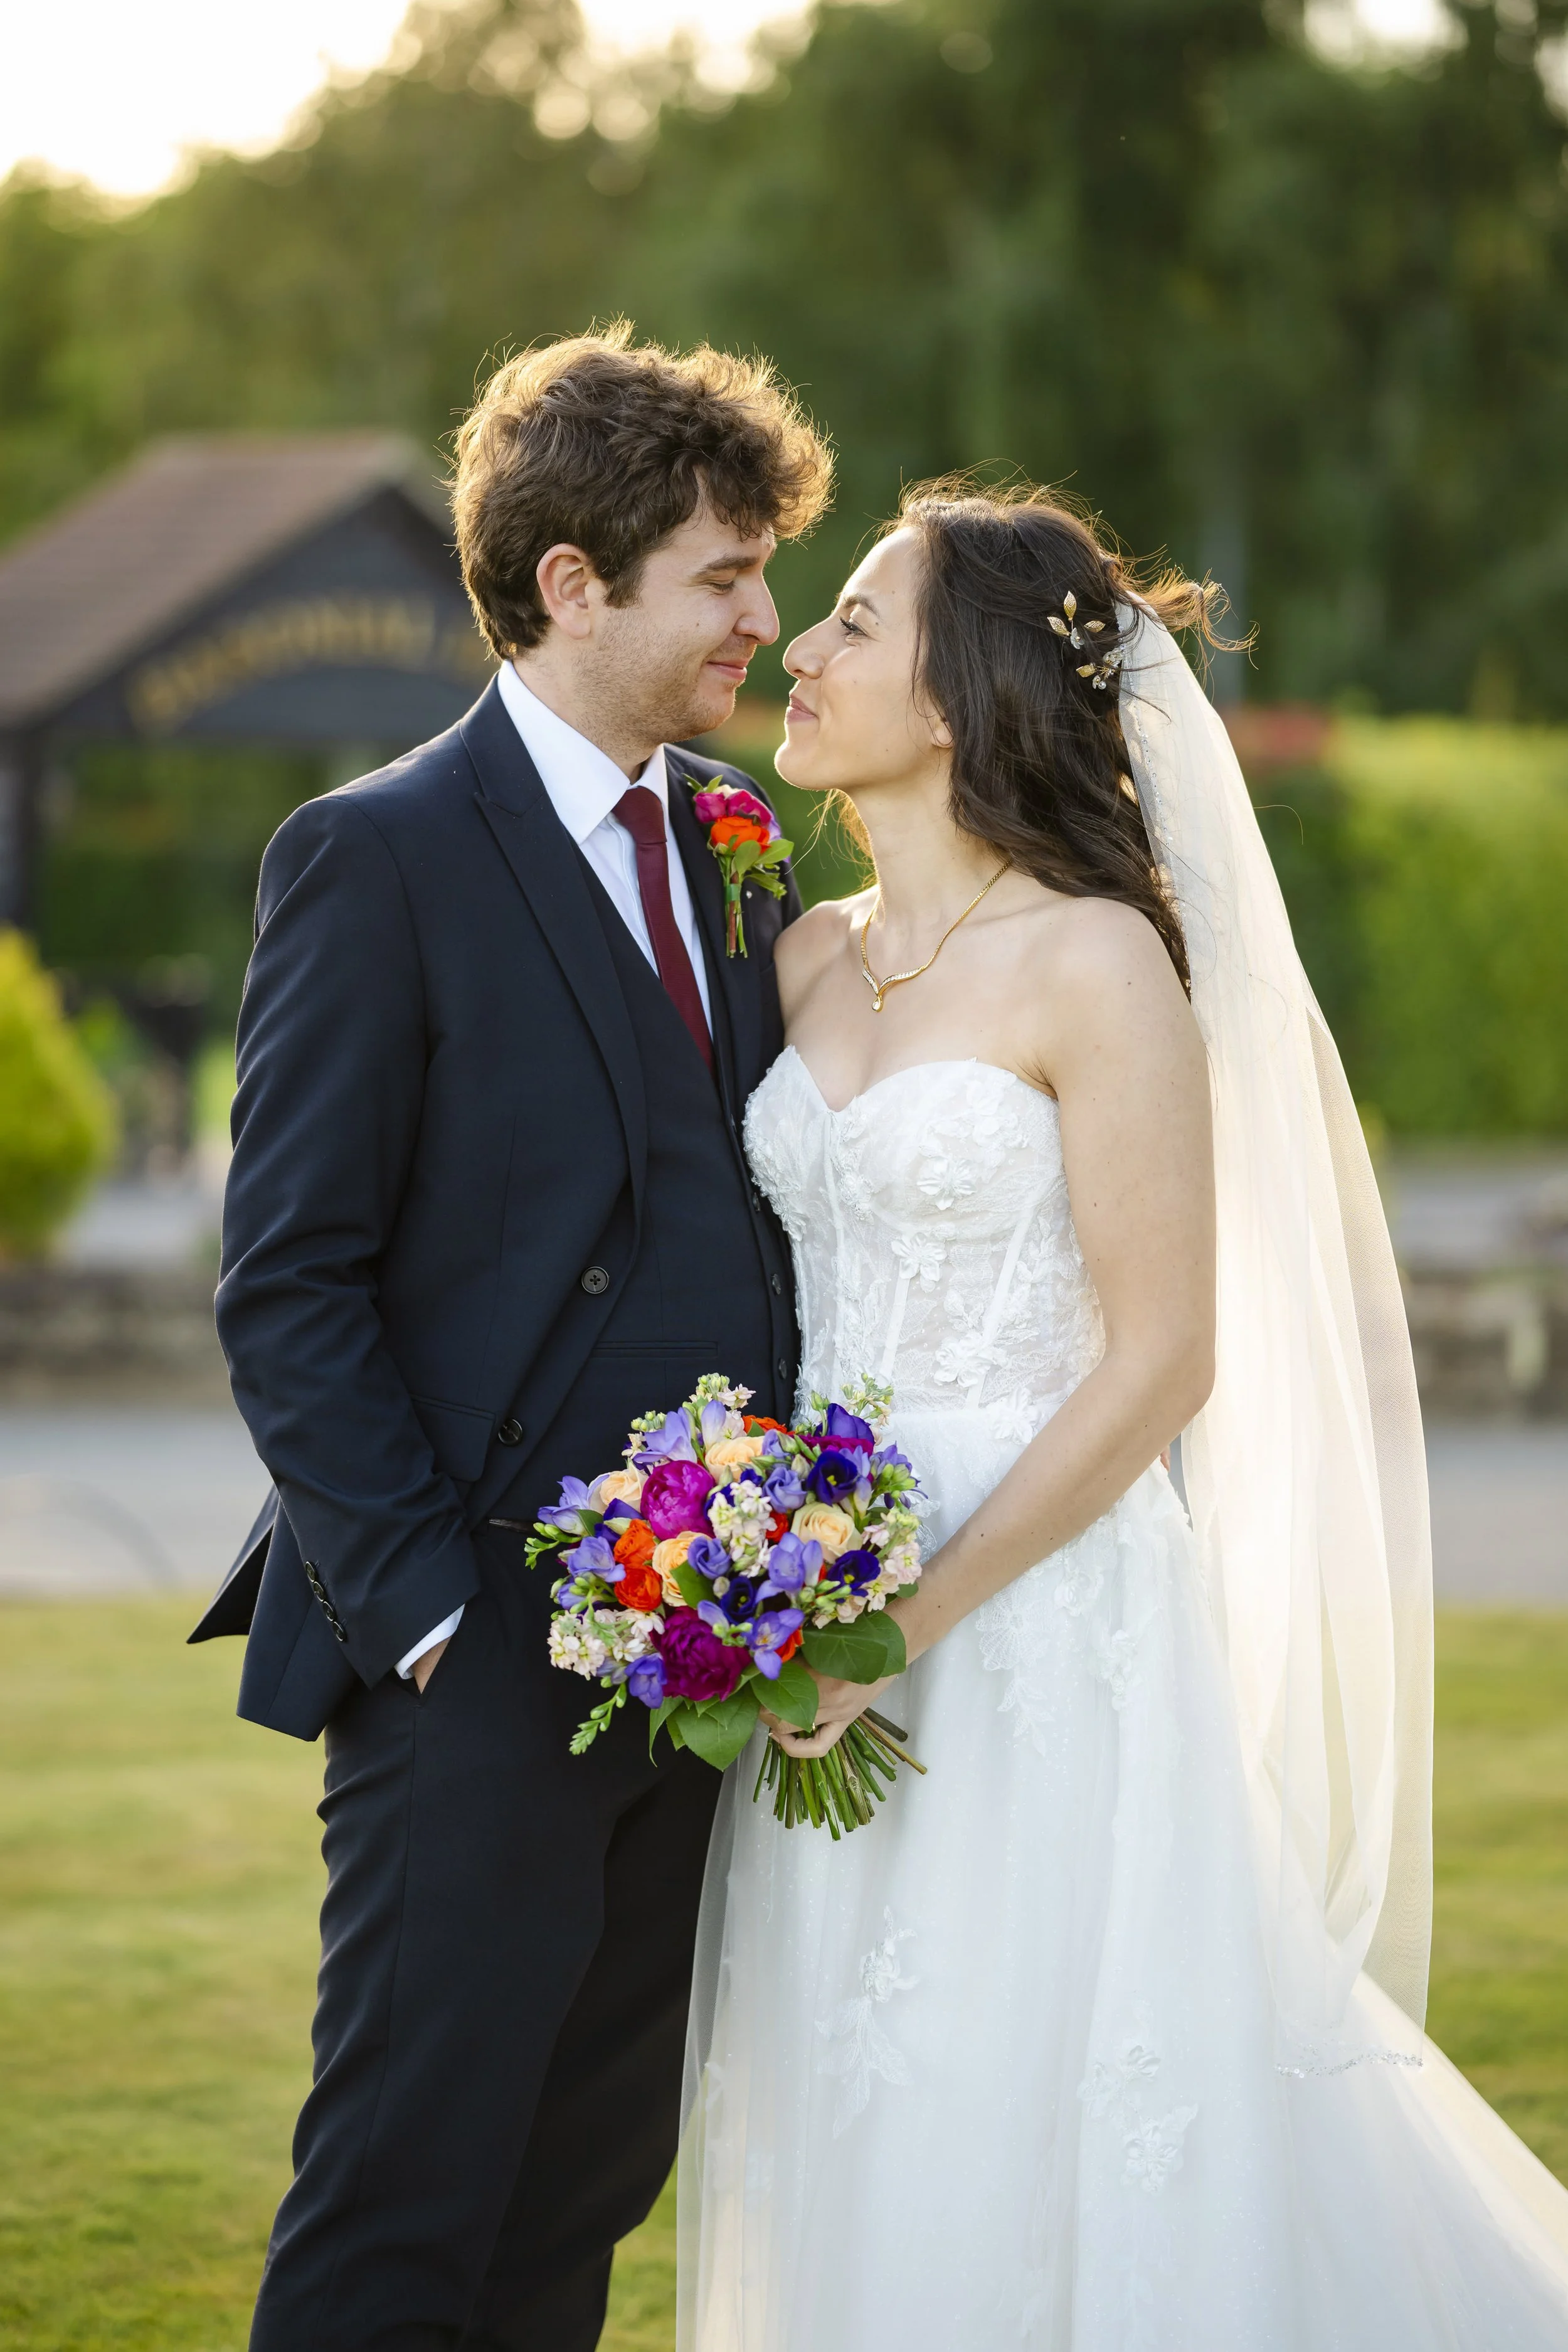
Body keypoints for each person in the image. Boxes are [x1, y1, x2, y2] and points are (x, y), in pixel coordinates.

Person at [678, 482, 1568, 2349]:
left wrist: (893, 1624)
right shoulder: (798, 955)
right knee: (854, 2082)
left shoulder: (1096, 959)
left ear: (963, 692)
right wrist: (758, 1574)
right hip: (809, 1600)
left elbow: (1163, 1354)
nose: (802, 650)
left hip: (1034, 1626)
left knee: (1045, 2089)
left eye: (852, 617)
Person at [188, 326, 830, 2351]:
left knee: (577, 2193)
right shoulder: (370, 853)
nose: (763, 612)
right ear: (575, 582)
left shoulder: (729, 838)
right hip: (468, 1647)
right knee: (403, 2199)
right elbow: (286, 1275)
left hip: (702, 1650)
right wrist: (436, 1617)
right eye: (725, 573)